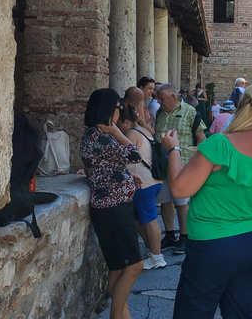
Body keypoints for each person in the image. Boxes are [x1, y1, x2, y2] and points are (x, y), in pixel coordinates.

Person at [162, 83, 252, 319]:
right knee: (239, 314)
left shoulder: (221, 143)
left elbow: (180, 188)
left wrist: (174, 150)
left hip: (214, 244)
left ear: (240, 106)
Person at [80, 88, 144, 319]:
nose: (120, 112)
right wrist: (117, 131)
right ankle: (117, 315)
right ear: (110, 110)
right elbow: (134, 155)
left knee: (118, 269)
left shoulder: (92, 135)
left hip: (110, 206)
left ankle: (122, 315)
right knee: (135, 266)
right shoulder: (103, 137)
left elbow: (101, 166)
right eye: (119, 108)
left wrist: (125, 175)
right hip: (113, 208)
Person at [154, 83, 207, 255]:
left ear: (172, 97)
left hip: (183, 164)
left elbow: (201, 139)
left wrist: (200, 164)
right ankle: (170, 235)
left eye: (161, 98)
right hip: (162, 165)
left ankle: (184, 236)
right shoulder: (160, 113)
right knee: (165, 201)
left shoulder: (190, 112)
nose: (158, 101)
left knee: (182, 203)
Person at [117, 103, 166, 270]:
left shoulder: (131, 133)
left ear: (125, 122)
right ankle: (151, 251)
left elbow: (123, 157)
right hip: (151, 182)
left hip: (143, 184)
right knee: (139, 220)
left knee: (150, 220)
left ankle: (157, 257)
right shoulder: (144, 130)